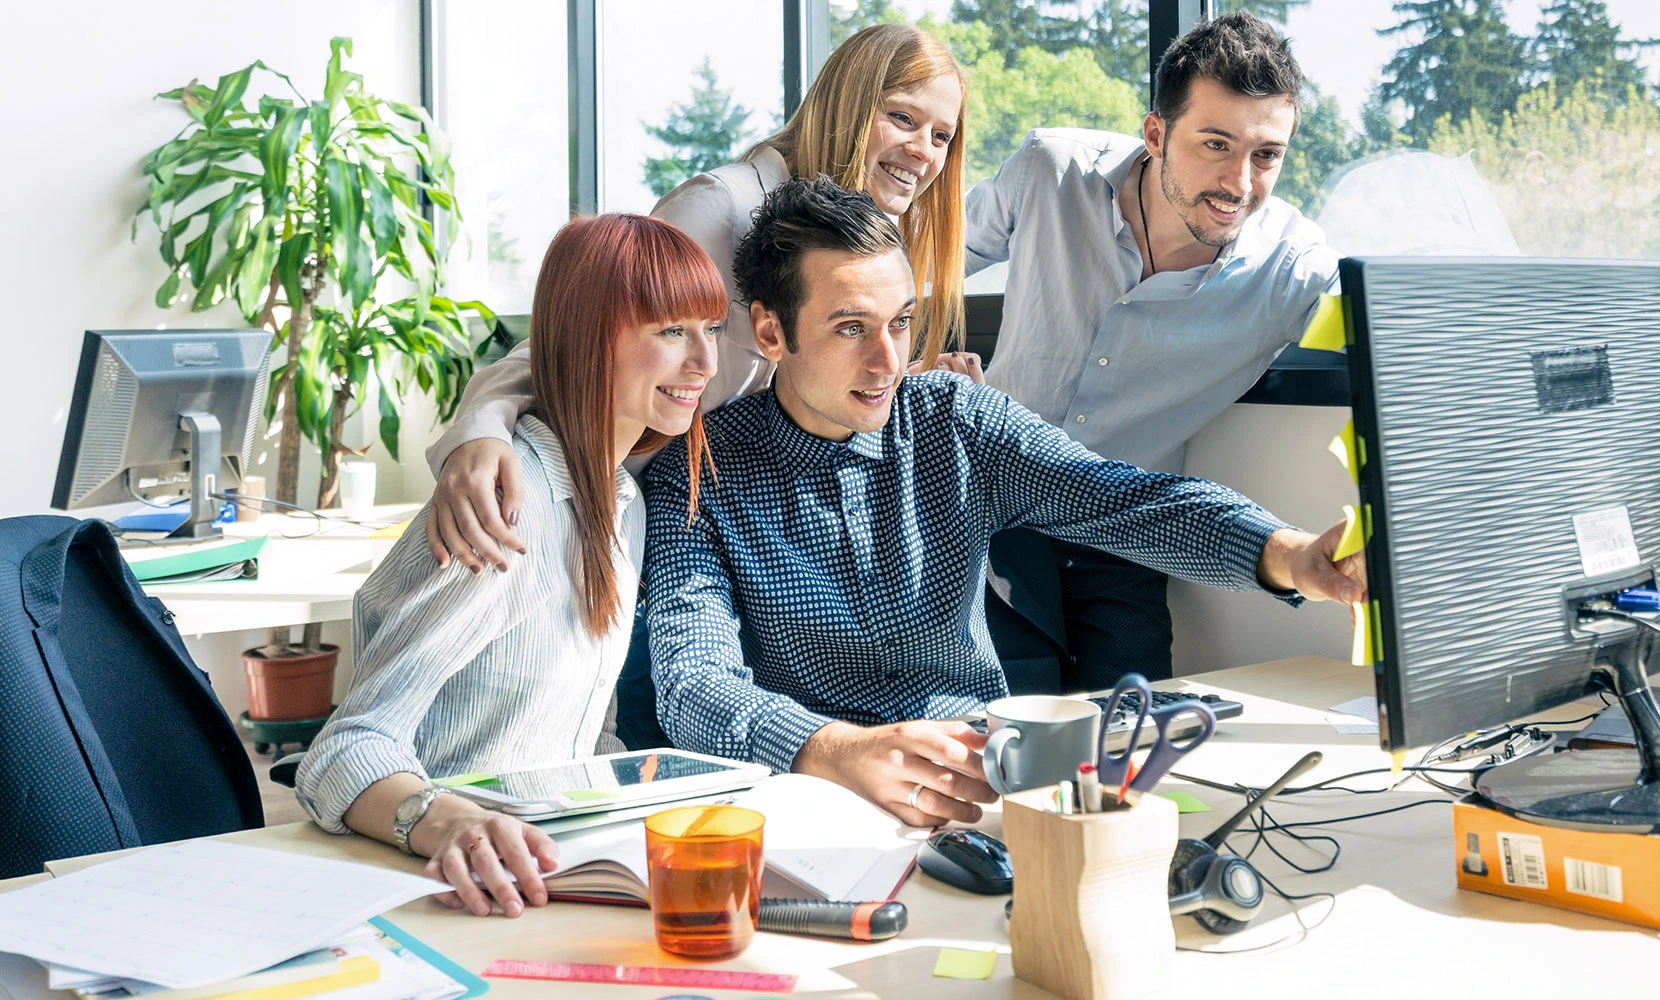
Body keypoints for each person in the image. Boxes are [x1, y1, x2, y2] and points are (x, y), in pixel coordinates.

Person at [642, 176, 1365, 827]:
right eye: (851, 328)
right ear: (771, 331)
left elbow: (1127, 500)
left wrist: (1289, 554)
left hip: (987, 791)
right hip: (819, 807)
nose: (889, 362)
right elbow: (690, 679)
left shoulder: (955, 419)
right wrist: (832, 748)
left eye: (901, 322)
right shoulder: (699, 470)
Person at [421, 23, 977, 574]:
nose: (923, 151)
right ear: (847, 105)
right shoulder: (721, 209)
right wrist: (480, 433)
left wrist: (923, 382)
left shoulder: (869, 242)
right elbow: (572, 342)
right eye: (903, 118)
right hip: (586, 521)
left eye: (941, 136)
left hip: (711, 535)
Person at [293, 214, 723, 919]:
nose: (704, 361)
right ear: (589, 338)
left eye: (711, 328)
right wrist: (450, 822)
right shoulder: (507, 505)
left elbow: (577, 733)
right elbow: (346, 748)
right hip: (439, 887)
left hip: (544, 874)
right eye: (672, 330)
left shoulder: (623, 501)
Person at [966, 11, 1340, 690]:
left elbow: (1394, 341)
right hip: (993, 510)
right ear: (1156, 134)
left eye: (1266, 155)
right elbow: (913, 263)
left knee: (1137, 744)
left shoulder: (1292, 268)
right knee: (998, 727)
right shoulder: (1050, 172)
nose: (1239, 182)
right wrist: (915, 357)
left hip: (1125, 531)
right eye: (1216, 144)